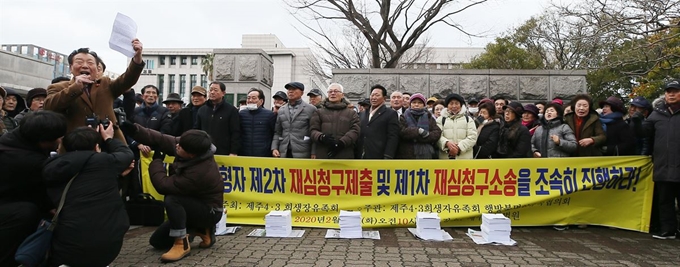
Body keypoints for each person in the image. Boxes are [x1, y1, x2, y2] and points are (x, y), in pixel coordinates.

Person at [122, 123, 223, 262]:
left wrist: (156, 161)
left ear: (191, 154)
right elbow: (161, 139)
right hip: (192, 206)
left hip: (209, 212)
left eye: (180, 147)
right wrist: (135, 130)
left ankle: (182, 242)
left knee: (172, 198)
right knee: (157, 242)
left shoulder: (200, 171)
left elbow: (163, 185)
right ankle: (201, 230)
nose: (176, 147)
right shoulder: (192, 148)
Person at [42, 124, 133, 267]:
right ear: (97, 147)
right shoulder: (103, 161)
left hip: (67, 241)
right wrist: (108, 138)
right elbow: (126, 153)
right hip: (108, 241)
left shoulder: (51, 166)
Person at [0, 111, 67, 267]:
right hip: (9, 211)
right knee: (28, 212)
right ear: (42, 141)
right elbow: (39, 192)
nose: (60, 140)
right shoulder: (29, 161)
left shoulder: (13, 139)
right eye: (57, 137)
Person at [44, 40, 146, 143]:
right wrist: (75, 87)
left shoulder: (105, 84)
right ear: (71, 68)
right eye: (79, 62)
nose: (85, 66)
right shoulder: (58, 87)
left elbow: (127, 80)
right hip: (76, 143)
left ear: (97, 69)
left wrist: (137, 58)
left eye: (90, 63)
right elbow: (49, 107)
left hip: (110, 142)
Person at [643, 79, 680, 239]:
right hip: (662, 165)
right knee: (664, 200)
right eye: (668, 91)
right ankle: (668, 230)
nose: (671, 94)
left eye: (675, 91)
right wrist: (637, 122)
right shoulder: (656, 114)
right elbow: (645, 134)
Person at [310, 84, 360, 159]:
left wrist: (342, 143)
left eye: (336, 91)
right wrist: (321, 137)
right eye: (330, 91)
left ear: (342, 95)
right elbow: (313, 130)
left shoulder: (351, 113)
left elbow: (355, 130)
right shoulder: (319, 112)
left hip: (344, 153)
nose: (333, 93)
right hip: (323, 154)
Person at [272, 82, 317, 158]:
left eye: (294, 89)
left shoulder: (311, 109)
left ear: (302, 93)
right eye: (289, 89)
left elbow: (314, 132)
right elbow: (277, 132)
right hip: (284, 151)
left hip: (303, 151)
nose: (290, 91)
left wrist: (314, 152)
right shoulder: (282, 110)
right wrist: (274, 148)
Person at [195, 81, 241, 156]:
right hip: (204, 151)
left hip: (224, 152)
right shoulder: (202, 110)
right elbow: (197, 130)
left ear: (223, 93)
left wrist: (234, 151)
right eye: (210, 90)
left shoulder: (231, 110)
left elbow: (235, 132)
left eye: (215, 90)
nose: (212, 92)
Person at [356, 84, 400, 159]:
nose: (374, 98)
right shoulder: (362, 114)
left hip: (379, 155)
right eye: (372, 95)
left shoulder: (390, 113)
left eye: (377, 95)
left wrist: (388, 155)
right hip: (361, 155)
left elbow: (393, 136)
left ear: (384, 98)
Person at [396, 93, 441, 159]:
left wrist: (424, 136)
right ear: (410, 104)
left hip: (426, 154)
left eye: (420, 102)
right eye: (414, 102)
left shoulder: (429, 117)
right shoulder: (404, 116)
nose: (416, 104)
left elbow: (436, 133)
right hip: (407, 154)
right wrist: (418, 131)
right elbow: (402, 132)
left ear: (424, 105)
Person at [436, 93, 478, 159]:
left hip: (464, 159)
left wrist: (459, 148)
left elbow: (472, 137)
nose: (454, 106)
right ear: (447, 105)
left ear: (461, 105)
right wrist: (446, 143)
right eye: (451, 103)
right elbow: (437, 136)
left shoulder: (468, 119)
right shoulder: (441, 120)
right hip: (445, 158)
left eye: (457, 103)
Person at [239, 88, 276, 157]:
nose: (250, 100)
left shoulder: (269, 115)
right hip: (244, 154)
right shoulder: (241, 114)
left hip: (263, 154)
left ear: (261, 101)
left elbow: (274, 133)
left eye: (254, 98)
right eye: (248, 98)